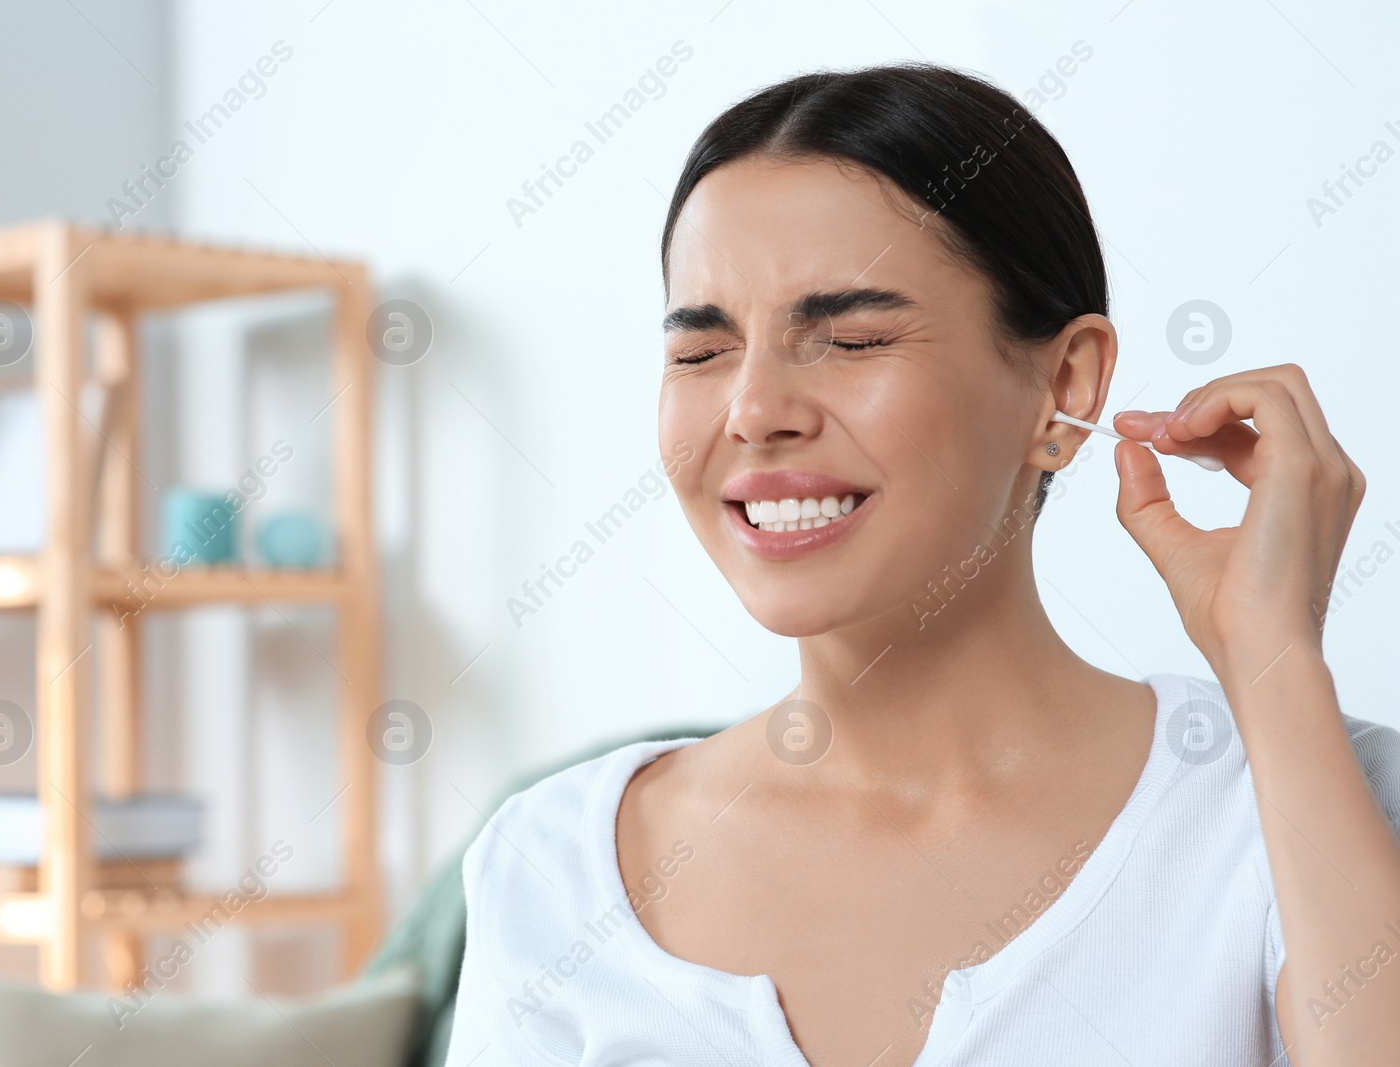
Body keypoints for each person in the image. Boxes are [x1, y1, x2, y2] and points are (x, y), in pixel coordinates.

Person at [442, 62, 1400, 1066]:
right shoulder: (552, 867)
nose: (754, 409)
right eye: (700, 353)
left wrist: (1272, 656)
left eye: (851, 339)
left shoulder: (1310, 800)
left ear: (1061, 384)